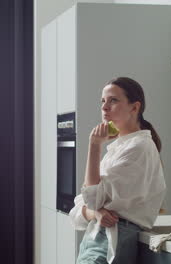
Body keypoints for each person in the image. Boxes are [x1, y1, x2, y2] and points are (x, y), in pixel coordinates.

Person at [69, 77, 166, 264]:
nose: (105, 107)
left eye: (113, 100)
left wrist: (94, 145)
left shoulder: (139, 147)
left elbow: (91, 198)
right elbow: (81, 204)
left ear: (134, 107)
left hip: (109, 242)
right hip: (95, 240)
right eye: (103, 101)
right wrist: (95, 213)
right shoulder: (118, 148)